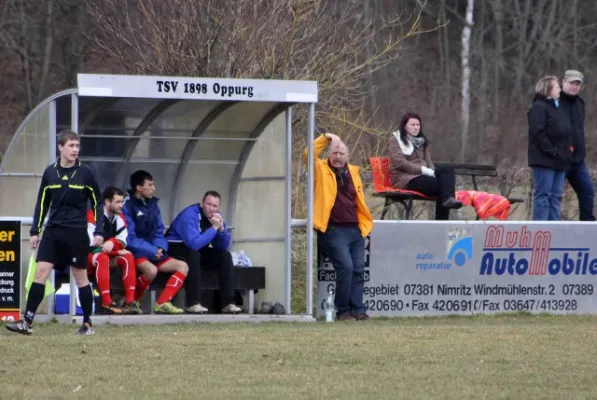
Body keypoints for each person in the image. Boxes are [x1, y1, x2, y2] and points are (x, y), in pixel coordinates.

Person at [6, 130, 104, 335]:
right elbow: (42, 203)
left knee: (81, 278)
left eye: (77, 146)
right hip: (52, 232)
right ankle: (27, 323)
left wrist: (99, 230)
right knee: (40, 273)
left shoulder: (85, 172)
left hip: (76, 232)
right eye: (71, 146)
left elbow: (98, 203)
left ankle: (87, 324)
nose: (75, 150)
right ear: (60, 147)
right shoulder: (50, 172)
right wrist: (35, 231)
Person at [304, 132, 373, 321]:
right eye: (334, 152)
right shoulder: (320, 169)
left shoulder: (354, 172)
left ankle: (358, 309)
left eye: (341, 153)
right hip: (333, 230)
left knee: (359, 270)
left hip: (355, 229)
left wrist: (362, 226)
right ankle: (343, 311)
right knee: (347, 267)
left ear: (347, 156)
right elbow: (308, 154)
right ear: (329, 154)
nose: (338, 156)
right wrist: (326, 137)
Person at [122, 170, 188, 314]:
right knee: (151, 270)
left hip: (154, 250)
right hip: (137, 251)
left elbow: (159, 230)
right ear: (139, 188)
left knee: (182, 266)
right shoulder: (127, 206)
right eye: (150, 185)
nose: (153, 188)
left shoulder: (153, 204)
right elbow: (130, 238)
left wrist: (160, 248)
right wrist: (152, 250)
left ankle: (162, 303)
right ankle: (131, 302)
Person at [166, 191, 242, 314]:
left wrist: (221, 230)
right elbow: (193, 244)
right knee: (193, 254)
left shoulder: (217, 216)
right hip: (175, 248)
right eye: (208, 204)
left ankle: (228, 303)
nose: (211, 209)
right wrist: (214, 228)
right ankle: (193, 304)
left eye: (215, 206)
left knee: (225, 256)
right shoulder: (189, 215)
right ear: (202, 203)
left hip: (196, 250)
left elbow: (222, 247)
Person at [387, 112, 462, 220]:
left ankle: (448, 201)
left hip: (423, 175)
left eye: (418, 125)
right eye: (412, 125)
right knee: (443, 187)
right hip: (405, 179)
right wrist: (422, 170)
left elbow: (428, 162)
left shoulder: (421, 141)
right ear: (404, 126)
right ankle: (441, 222)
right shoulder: (395, 140)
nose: (416, 127)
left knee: (447, 170)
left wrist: (432, 172)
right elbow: (400, 163)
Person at [86, 186, 142, 315]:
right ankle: (106, 302)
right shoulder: (92, 215)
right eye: (117, 202)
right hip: (88, 257)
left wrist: (112, 242)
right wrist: (115, 251)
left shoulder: (119, 217)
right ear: (107, 202)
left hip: (106, 256)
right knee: (102, 258)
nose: (121, 205)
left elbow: (123, 241)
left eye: (122, 202)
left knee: (127, 257)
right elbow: (91, 245)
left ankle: (130, 302)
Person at [528, 75, 573, 221]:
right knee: (543, 196)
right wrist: (552, 151)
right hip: (544, 160)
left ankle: (555, 230)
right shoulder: (538, 107)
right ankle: (540, 231)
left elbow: (565, 131)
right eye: (557, 87)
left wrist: (567, 151)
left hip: (560, 161)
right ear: (548, 89)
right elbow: (538, 133)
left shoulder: (557, 108)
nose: (559, 89)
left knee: (555, 197)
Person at [560, 70, 595, 221]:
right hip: (560, 159)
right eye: (571, 83)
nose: (574, 87)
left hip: (578, 160)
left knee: (587, 191)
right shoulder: (555, 101)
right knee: (554, 195)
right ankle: (550, 227)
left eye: (577, 84)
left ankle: (587, 227)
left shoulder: (580, 103)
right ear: (563, 82)